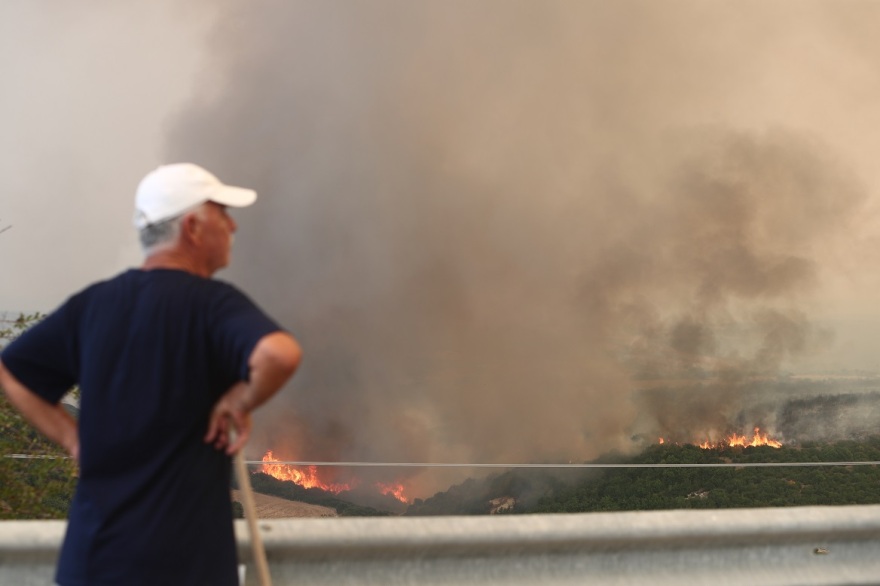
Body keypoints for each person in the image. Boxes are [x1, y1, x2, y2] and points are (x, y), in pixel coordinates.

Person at [0, 163, 302, 586]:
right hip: (185, 566)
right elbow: (280, 354)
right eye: (222, 212)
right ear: (193, 227)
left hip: (94, 563)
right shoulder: (213, 305)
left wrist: (73, 439)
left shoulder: (94, 305)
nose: (232, 225)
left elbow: (12, 369)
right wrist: (240, 399)